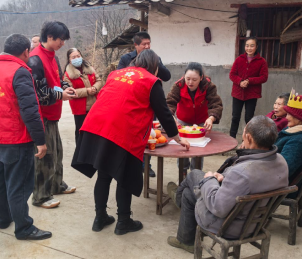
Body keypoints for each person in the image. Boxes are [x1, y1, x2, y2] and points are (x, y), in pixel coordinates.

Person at [72, 49, 190, 235]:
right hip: (121, 132)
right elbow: (163, 112)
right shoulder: (151, 81)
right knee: (123, 177)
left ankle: (100, 217)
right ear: (154, 66)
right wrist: (176, 137)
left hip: (96, 126)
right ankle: (123, 221)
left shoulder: (115, 74)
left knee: (103, 175)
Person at [166, 116, 288, 254]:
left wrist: (210, 179)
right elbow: (252, 180)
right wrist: (225, 177)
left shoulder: (242, 173)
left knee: (194, 174)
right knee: (188, 194)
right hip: (257, 221)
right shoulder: (282, 161)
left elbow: (218, 207)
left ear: (249, 138)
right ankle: (184, 238)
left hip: (229, 225)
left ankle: (177, 198)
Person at [0, 34, 51, 240]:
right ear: (26, 52)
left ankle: (4, 218)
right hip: (16, 139)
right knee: (19, 184)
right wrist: (40, 140)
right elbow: (30, 110)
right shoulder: (19, 72)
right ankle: (24, 228)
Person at [28, 21, 77, 209]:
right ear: (49, 37)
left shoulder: (53, 57)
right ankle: (40, 196)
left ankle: (56, 185)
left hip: (53, 114)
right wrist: (61, 95)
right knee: (45, 156)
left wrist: (66, 87)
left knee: (57, 153)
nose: (62, 43)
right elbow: (39, 93)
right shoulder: (35, 59)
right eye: (60, 40)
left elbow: (57, 80)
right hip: (43, 116)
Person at [118, 31, 171, 177]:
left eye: (149, 43)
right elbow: (121, 78)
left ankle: (146, 164)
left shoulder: (155, 59)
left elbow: (167, 76)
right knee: (133, 136)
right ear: (136, 45)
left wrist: (157, 64)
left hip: (149, 103)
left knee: (149, 135)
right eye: (144, 44)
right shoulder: (126, 59)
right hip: (133, 104)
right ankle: (134, 163)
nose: (147, 46)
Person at [166, 62, 223, 173]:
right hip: (183, 121)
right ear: (184, 76)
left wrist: (211, 118)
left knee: (198, 150)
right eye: (188, 79)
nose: (190, 82)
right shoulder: (179, 86)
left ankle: (196, 174)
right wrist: (171, 116)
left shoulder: (208, 86)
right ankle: (182, 174)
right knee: (183, 147)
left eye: (194, 80)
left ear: (201, 78)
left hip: (202, 121)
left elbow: (216, 104)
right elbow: (169, 103)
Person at [229, 37, 268, 138]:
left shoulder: (261, 61)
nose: (249, 48)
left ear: (256, 47)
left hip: (252, 94)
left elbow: (264, 77)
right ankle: (231, 139)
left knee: (249, 118)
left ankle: (246, 141)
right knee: (235, 117)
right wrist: (240, 82)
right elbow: (232, 74)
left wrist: (250, 81)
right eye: (247, 45)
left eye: (252, 46)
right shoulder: (239, 59)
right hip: (238, 93)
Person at [275, 91, 302, 180]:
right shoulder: (293, 130)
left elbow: (281, 172)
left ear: (299, 117)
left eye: (289, 114)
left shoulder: (300, 141)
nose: (286, 117)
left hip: (278, 188)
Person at [63, 48, 102, 143]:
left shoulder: (90, 68)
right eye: (73, 57)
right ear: (69, 60)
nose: (77, 58)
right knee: (81, 132)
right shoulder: (67, 75)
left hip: (94, 105)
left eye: (78, 56)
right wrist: (87, 91)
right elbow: (70, 92)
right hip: (80, 108)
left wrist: (95, 88)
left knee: (96, 131)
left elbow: (99, 80)